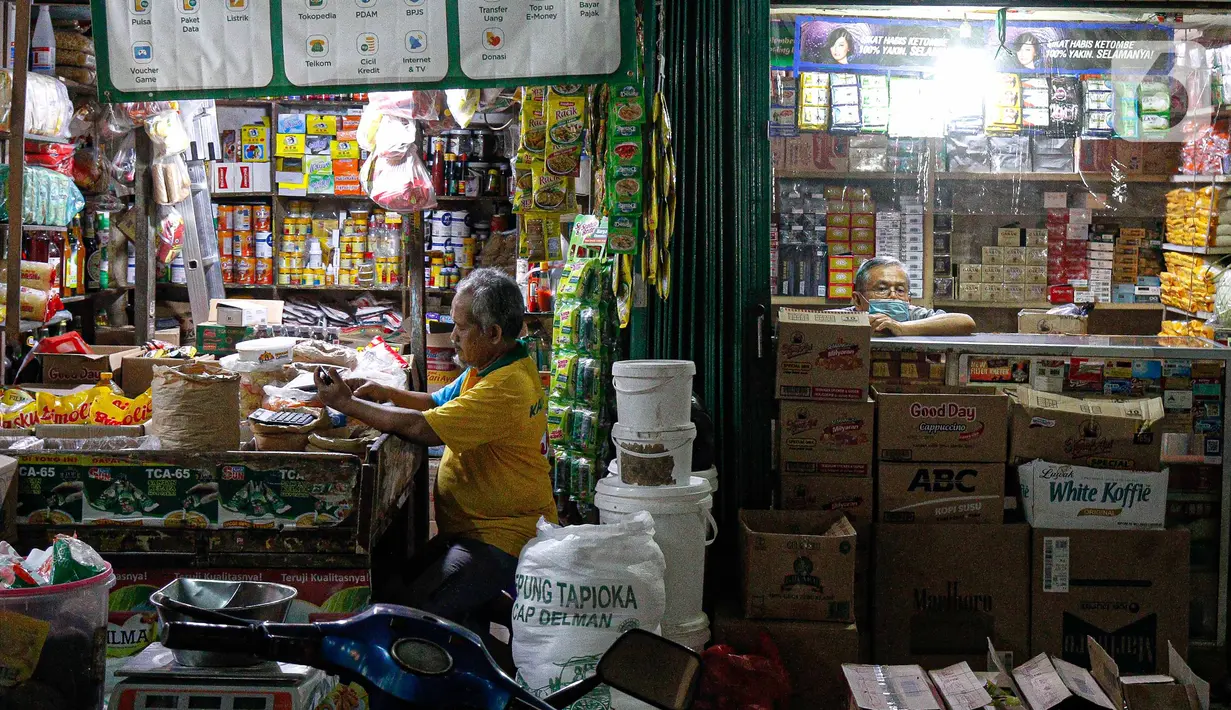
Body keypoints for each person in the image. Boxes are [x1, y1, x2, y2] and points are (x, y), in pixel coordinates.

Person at [315, 268, 556, 639]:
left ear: (492, 333)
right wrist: (385, 392)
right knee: (395, 586)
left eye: (461, 328)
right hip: (471, 531)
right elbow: (434, 402)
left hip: (499, 538)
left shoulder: (506, 387)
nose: (453, 337)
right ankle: (483, 635)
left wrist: (348, 404)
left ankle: (488, 672)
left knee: (415, 618)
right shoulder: (494, 364)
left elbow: (423, 428)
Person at [846, 255, 975, 337]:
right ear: (857, 300)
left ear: (909, 299)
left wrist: (901, 328)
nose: (893, 295)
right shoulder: (846, 319)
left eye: (900, 290)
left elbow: (966, 322)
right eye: (882, 289)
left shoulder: (914, 315)